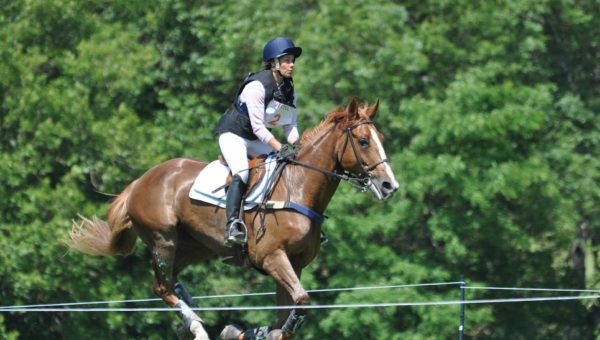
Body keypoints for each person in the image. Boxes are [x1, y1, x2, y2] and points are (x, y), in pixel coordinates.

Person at [214, 37, 302, 247]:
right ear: (273, 63)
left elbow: (289, 125)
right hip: (234, 135)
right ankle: (233, 224)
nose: (292, 64)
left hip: (255, 139)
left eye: (292, 60)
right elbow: (258, 127)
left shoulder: (289, 90)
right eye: (287, 60)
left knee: (288, 166)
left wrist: (296, 145)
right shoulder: (257, 86)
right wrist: (280, 147)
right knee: (242, 172)